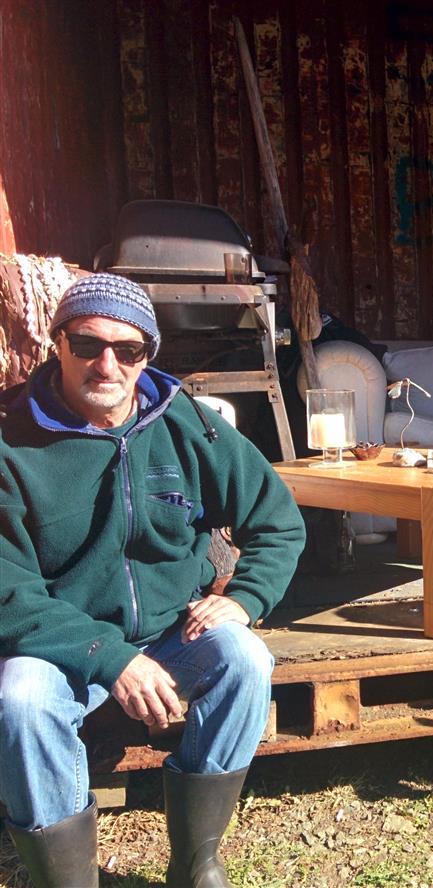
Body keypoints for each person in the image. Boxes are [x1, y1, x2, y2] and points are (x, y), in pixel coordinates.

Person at [0, 273, 306, 888]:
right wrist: (109, 657)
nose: (106, 364)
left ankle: (196, 863)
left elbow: (277, 520)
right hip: (60, 642)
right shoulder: (11, 440)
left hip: (170, 629)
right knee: (22, 701)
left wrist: (245, 598)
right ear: (58, 344)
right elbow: (8, 588)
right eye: (87, 344)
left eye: (128, 349)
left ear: (148, 355)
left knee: (244, 659)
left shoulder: (187, 424)